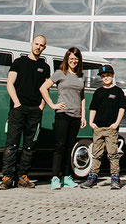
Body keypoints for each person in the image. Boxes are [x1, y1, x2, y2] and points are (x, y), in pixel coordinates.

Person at [0, 34, 51, 190]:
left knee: (30, 145)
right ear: (31, 44)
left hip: (35, 111)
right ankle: (7, 177)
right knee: (11, 144)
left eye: (41, 45)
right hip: (18, 109)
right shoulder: (19, 62)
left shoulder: (45, 67)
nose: (38, 47)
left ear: (44, 48)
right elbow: (10, 83)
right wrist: (16, 102)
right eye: (36, 44)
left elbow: (46, 88)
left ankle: (23, 177)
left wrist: (42, 105)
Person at [42, 46, 87, 189]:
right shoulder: (60, 73)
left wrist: (83, 116)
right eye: (71, 58)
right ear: (67, 59)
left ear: (79, 60)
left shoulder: (81, 76)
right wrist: (52, 105)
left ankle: (67, 176)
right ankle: (55, 177)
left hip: (76, 115)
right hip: (63, 114)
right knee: (60, 147)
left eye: (76, 58)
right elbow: (43, 88)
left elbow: (82, 97)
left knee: (70, 147)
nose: (73, 61)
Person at [81, 63, 126, 189]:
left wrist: (116, 123)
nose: (105, 78)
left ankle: (115, 178)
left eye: (108, 75)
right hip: (98, 128)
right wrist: (91, 122)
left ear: (113, 75)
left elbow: (122, 108)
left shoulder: (118, 92)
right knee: (96, 154)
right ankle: (92, 177)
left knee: (112, 154)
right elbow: (93, 108)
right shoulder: (98, 92)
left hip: (111, 129)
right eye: (103, 76)